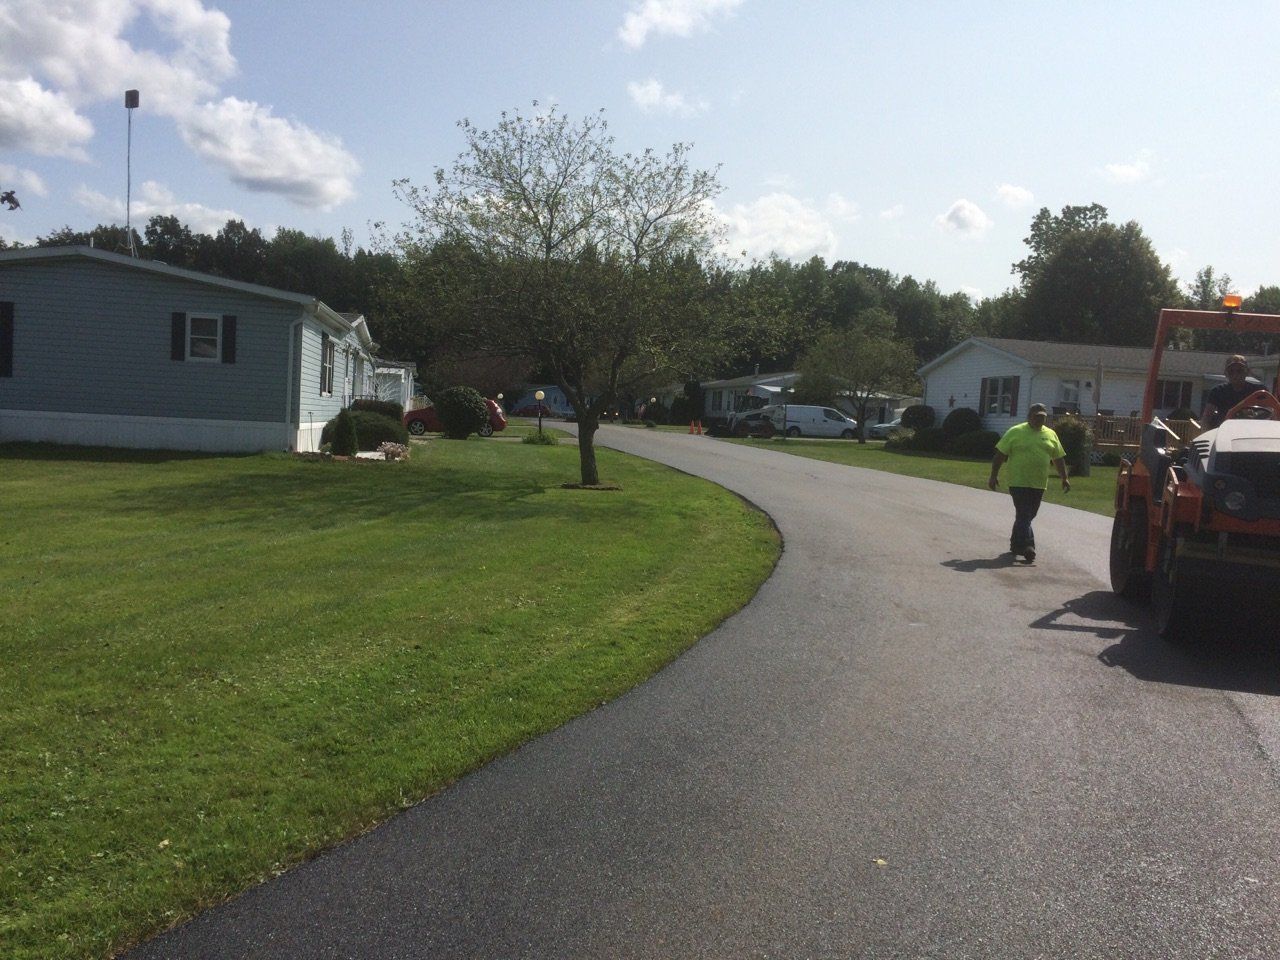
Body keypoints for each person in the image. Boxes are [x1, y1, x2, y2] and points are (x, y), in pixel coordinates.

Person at [988, 403, 1070, 562]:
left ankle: (1015, 544)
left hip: (1039, 483)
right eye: (1036, 416)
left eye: (1042, 417)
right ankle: (1028, 547)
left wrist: (1064, 478)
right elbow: (999, 455)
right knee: (1024, 514)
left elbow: (1058, 458)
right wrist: (993, 475)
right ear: (1029, 417)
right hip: (1018, 481)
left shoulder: (1051, 434)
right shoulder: (1015, 432)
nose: (1039, 419)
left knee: (1027, 515)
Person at [1199, 354, 1263, 428]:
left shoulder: (1258, 391)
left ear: (1247, 372)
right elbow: (1206, 417)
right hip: (1225, 433)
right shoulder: (1217, 392)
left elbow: (1271, 413)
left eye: (1240, 371)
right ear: (1226, 374)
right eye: (1231, 371)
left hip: (1252, 433)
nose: (1235, 375)